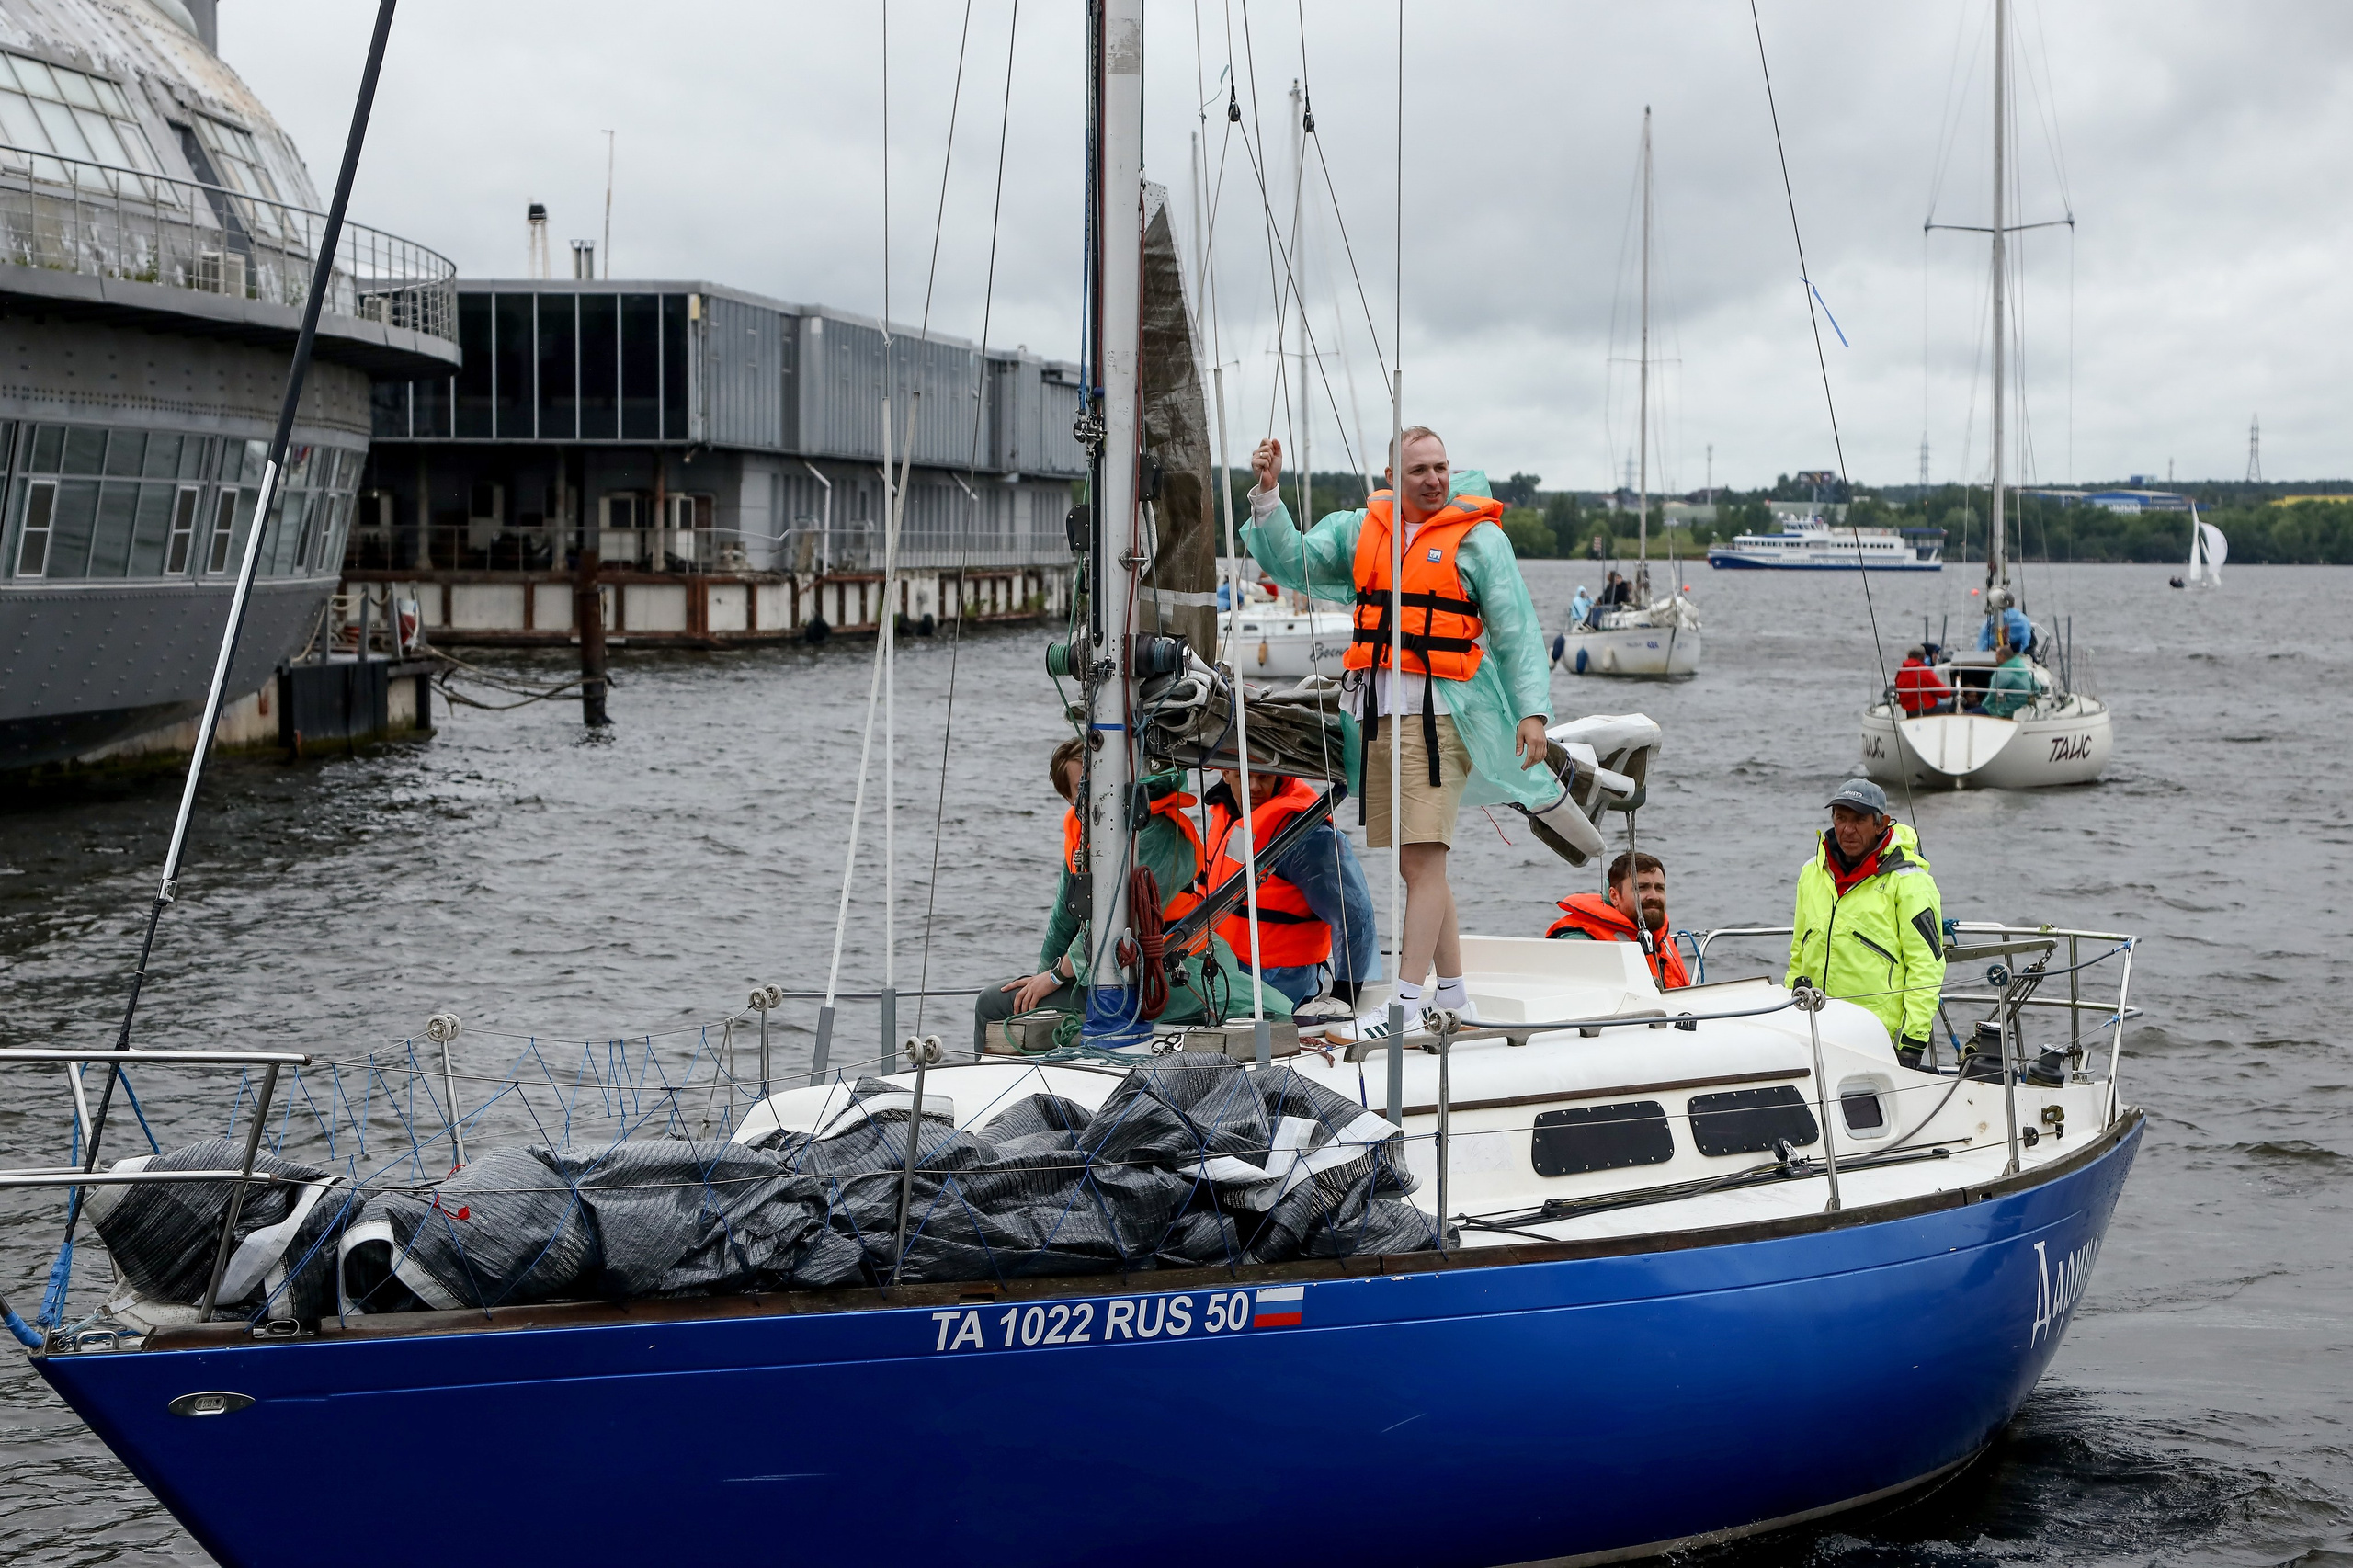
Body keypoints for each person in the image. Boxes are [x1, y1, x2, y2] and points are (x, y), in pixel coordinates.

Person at [1242, 427, 1586, 1040]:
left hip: (1441, 719)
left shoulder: (1479, 540)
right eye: (1420, 470)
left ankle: (1402, 1006)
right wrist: (1268, 496)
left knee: (1423, 862)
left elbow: (1515, 629)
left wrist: (1532, 711)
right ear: (1393, 477)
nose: (1433, 479)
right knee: (1415, 866)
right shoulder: (1359, 528)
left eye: (1441, 467)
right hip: (1374, 717)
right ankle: (1452, 994)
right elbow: (1295, 560)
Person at [973, 738, 1285, 1052]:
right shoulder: (1083, 833)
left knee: (990, 1004)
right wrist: (1041, 978)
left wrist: (1056, 977)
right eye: (1084, 787)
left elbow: (1117, 916)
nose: (1099, 790)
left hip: (1171, 973)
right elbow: (1065, 914)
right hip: (1100, 968)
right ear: (1070, 799)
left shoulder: (1162, 835)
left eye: (1101, 778)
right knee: (1012, 998)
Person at [1191, 766, 1379, 1012]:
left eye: (1264, 776)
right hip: (1223, 971)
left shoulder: (1306, 836)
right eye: (1244, 776)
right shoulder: (1226, 813)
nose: (1254, 786)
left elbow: (1354, 915)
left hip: (1282, 987)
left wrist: (1345, 997)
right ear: (1226, 774)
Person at [1787, 779, 1946, 1069]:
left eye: (1859, 820)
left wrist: (1912, 1038)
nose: (1847, 829)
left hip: (1875, 1034)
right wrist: (1788, 1010)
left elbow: (1926, 966)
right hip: (1813, 1024)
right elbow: (1799, 950)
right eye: (1840, 818)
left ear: (1881, 824)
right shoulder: (1811, 872)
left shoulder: (1910, 882)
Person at [1546, 850, 1688, 989]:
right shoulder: (1579, 940)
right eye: (1641, 888)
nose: (1654, 896)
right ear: (1614, 896)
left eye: (1659, 888)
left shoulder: (1658, 935)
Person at [1980, 645, 2038, 720]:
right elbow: (2037, 687)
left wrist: (1983, 705)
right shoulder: (2022, 670)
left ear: (2002, 656)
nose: (1995, 658)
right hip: (2022, 707)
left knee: (1971, 712)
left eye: (1997, 655)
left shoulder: (2002, 673)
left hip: (2007, 709)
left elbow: (1993, 694)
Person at [1894, 645, 1954, 717]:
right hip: (1926, 709)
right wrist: (1953, 692)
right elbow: (1942, 692)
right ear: (1923, 657)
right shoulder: (1923, 671)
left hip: (1908, 711)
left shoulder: (1902, 671)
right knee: (1954, 708)